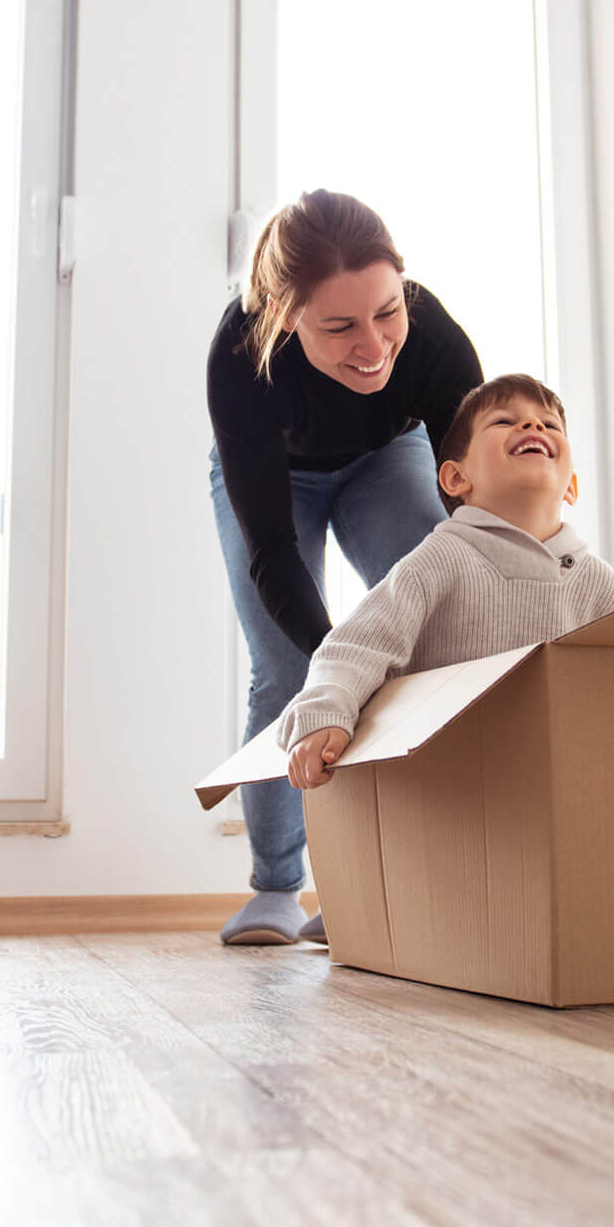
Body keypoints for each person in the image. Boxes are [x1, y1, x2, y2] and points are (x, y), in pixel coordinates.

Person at [208, 190, 483, 946]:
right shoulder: (241, 356)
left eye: (386, 313)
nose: (373, 346)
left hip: (386, 458)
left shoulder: (430, 337)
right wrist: (336, 666)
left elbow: (481, 507)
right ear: (285, 315)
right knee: (290, 666)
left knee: (427, 640)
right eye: (339, 326)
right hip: (276, 478)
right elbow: (271, 552)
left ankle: (381, 880)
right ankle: (274, 887)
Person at [277, 373, 614, 796]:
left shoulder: (594, 581)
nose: (533, 427)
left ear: (570, 486)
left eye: (549, 425)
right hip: (447, 791)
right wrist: (325, 713)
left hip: (557, 787)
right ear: (455, 479)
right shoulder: (441, 560)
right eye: (505, 421)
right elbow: (357, 645)